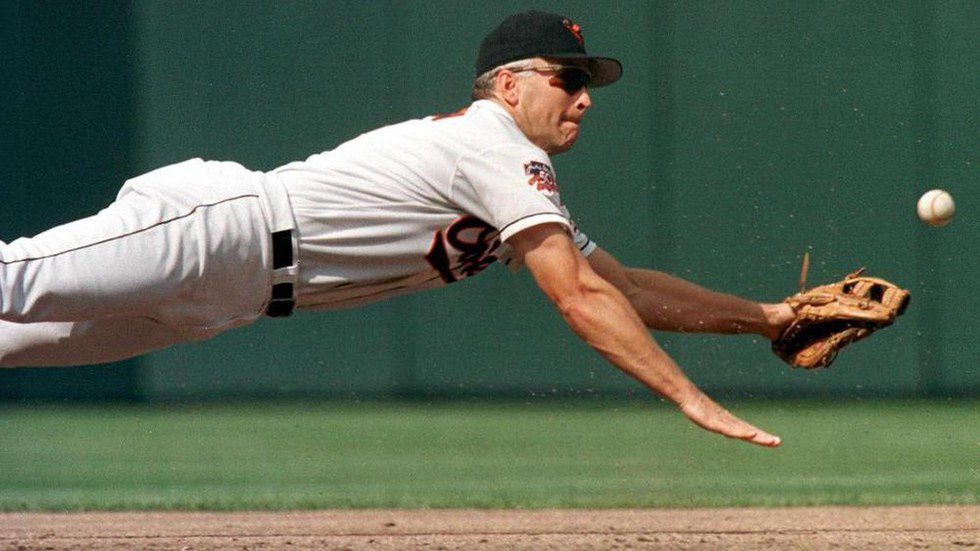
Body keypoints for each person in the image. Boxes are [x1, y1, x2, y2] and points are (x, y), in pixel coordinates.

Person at [0, 11, 792, 447]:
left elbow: (627, 289)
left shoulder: (508, 175)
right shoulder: (498, 146)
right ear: (509, 85)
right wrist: (690, 397)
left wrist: (769, 318)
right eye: (568, 78)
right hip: (217, 229)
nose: (584, 97)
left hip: (229, 298)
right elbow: (580, 298)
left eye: (588, 83)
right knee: (14, 279)